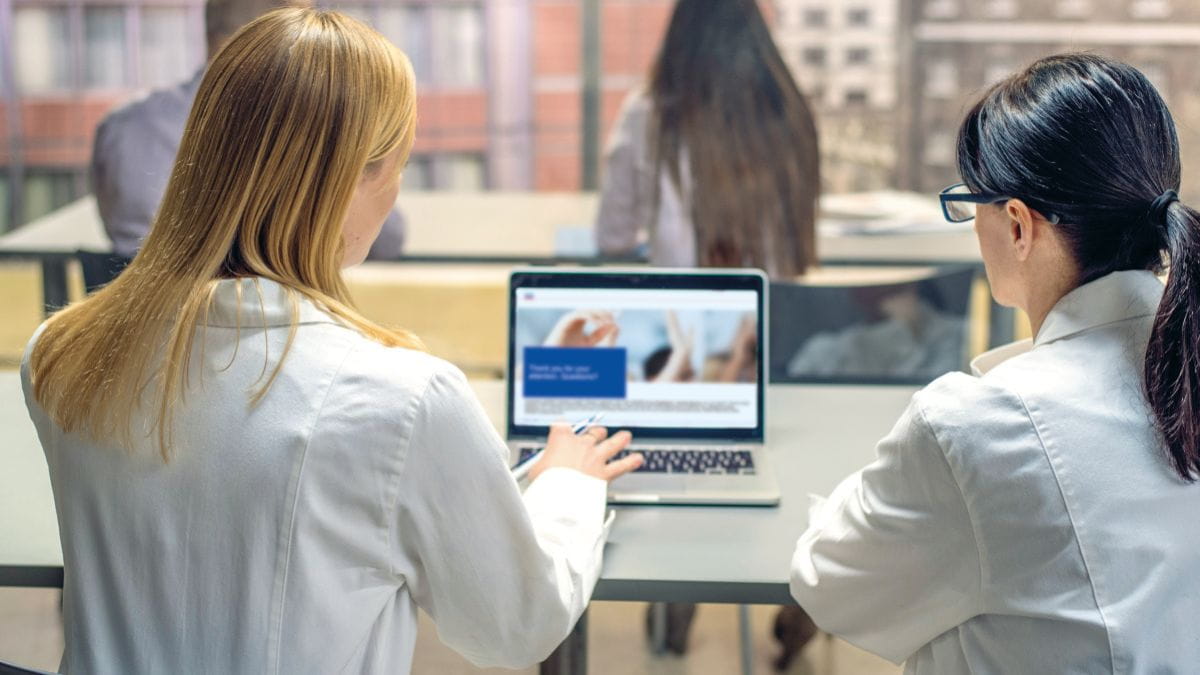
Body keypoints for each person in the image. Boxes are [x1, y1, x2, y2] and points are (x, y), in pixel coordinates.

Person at [22, 9, 642, 673]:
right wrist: (570, 486)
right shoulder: (402, 398)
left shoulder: (60, 353)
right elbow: (517, 625)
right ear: (352, 180)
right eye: (398, 164)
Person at [790, 53, 1200, 673]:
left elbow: (829, 583)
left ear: (1016, 225)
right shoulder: (1182, 367)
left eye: (970, 203)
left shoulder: (980, 426)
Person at [594, 0, 821, 664]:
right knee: (792, 471)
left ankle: (677, 597)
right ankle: (802, 599)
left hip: (696, 348)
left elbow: (612, 236)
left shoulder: (653, 116)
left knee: (686, 463)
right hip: (789, 341)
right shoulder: (790, 113)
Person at [91, 0, 407, 262]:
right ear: (250, 42)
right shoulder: (286, 125)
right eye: (304, 41)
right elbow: (385, 238)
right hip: (241, 314)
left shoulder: (124, 124)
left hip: (140, 316)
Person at [594, 0, 819, 279]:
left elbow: (613, 238)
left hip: (683, 308)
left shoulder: (647, 112)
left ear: (679, 36)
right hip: (780, 313)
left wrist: (662, 243)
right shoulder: (789, 109)